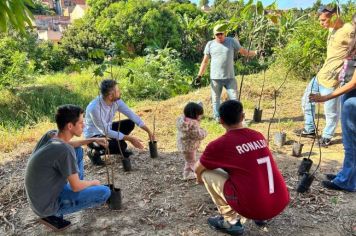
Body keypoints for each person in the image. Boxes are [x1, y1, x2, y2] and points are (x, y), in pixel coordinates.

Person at [195, 100, 289, 235]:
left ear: (220, 120)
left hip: (253, 208)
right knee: (252, 168)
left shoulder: (219, 144)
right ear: (243, 116)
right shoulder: (258, 135)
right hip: (279, 202)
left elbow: (198, 168)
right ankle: (261, 217)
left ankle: (230, 222)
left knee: (206, 174)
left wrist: (199, 178)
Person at [25, 105, 111, 231]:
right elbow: (76, 186)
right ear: (70, 126)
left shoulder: (51, 135)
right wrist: (93, 183)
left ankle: (78, 186)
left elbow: (69, 145)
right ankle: (53, 214)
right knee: (104, 192)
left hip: (38, 196)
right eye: (81, 123)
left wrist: (93, 139)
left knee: (78, 150)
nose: (84, 126)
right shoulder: (64, 150)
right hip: (47, 206)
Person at [294, 5, 354, 147]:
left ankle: (327, 136)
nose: (321, 24)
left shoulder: (348, 30)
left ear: (334, 17)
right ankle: (310, 129)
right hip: (320, 75)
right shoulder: (332, 28)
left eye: (323, 20)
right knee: (306, 101)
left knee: (330, 112)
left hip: (333, 80)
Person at [310, 13, 356, 192]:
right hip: (350, 95)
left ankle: (347, 181)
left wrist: (326, 97)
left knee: (351, 141)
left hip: (353, 98)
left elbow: (354, 82)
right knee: (351, 140)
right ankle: (346, 174)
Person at [195, 23, 260, 121]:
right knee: (216, 99)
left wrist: (256, 52)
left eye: (221, 33)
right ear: (214, 35)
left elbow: (244, 52)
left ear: (225, 33)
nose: (220, 36)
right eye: (217, 34)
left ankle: (237, 118)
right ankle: (218, 118)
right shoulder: (210, 44)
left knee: (234, 99)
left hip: (230, 77)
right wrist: (199, 76)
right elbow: (205, 61)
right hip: (215, 78)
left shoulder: (231, 41)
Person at [84, 79, 154, 165]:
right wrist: (130, 138)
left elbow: (132, 115)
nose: (120, 92)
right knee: (122, 146)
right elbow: (105, 131)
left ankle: (116, 145)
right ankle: (93, 152)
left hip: (107, 129)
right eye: (118, 91)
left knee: (129, 123)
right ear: (110, 96)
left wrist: (148, 131)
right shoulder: (94, 108)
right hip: (94, 136)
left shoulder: (116, 101)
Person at [176, 102, 207, 180]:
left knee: (189, 160)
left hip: (184, 145)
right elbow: (198, 135)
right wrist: (204, 132)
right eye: (200, 115)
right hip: (190, 147)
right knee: (191, 162)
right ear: (195, 114)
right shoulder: (193, 124)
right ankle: (195, 173)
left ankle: (187, 174)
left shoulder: (183, 121)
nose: (201, 117)